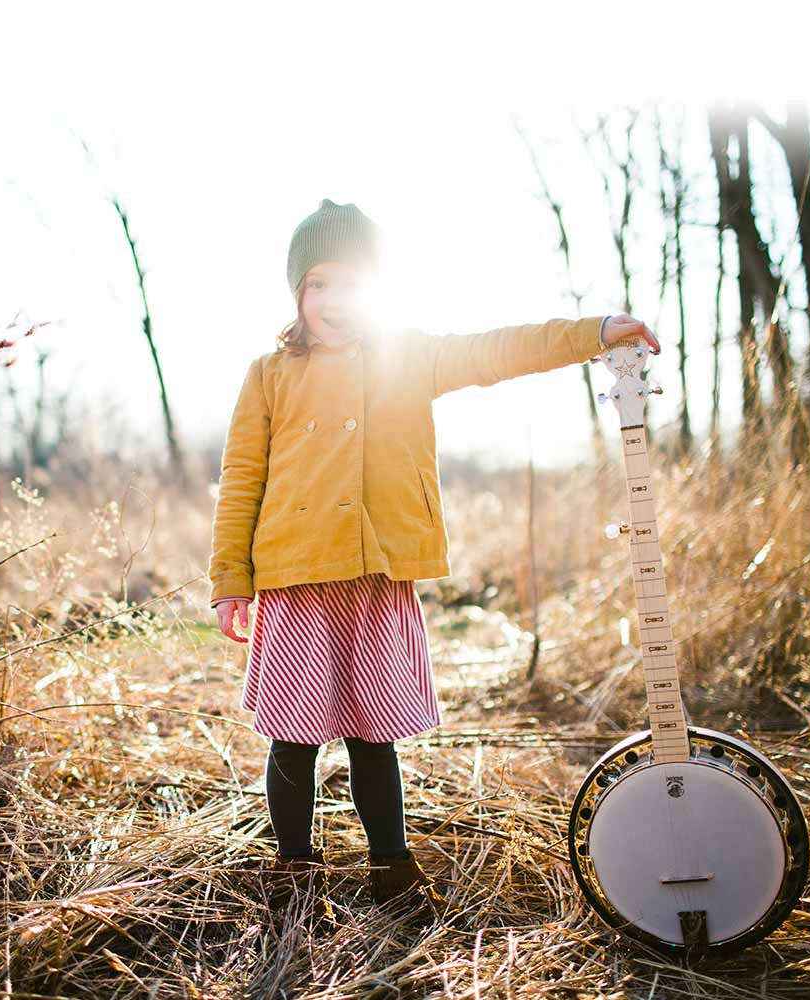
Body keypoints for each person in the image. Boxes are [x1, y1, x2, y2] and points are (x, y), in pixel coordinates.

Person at [208, 197, 660, 931]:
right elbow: (242, 479)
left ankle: (391, 866)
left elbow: (496, 350)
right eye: (318, 284)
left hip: (379, 576)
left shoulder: (408, 357)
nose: (333, 301)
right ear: (298, 293)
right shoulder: (270, 374)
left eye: (351, 283)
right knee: (294, 732)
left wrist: (595, 333)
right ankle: (295, 870)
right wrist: (231, 581)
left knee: (372, 731)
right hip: (294, 581)